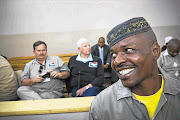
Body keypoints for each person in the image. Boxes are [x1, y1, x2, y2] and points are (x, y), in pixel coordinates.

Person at [89, 17, 180, 120]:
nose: (117, 61)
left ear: (155, 51)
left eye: (129, 50)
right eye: (114, 54)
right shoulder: (102, 105)